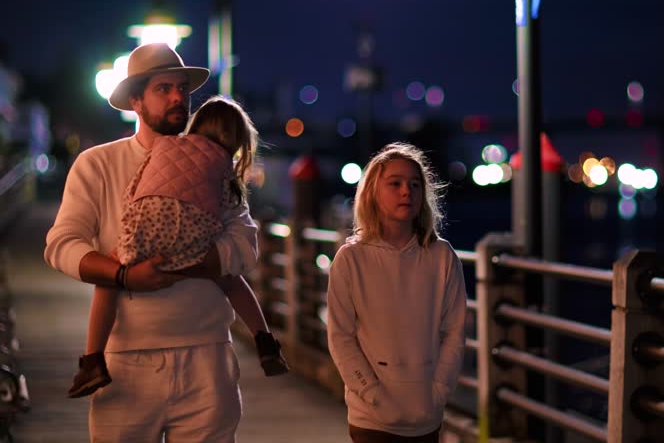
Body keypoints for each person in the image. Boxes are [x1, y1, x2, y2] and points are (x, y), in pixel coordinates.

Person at [45, 42, 255, 441]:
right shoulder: (98, 164)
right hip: (125, 362)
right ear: (135, 101)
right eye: (164, 89)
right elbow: (61, 244)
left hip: (207, 355)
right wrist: (123, 275)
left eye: (183, 88)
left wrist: (190, 262)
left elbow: (245, 244)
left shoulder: (215, 163)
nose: (179, 97)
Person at [67, 95, 289, 399]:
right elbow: (230, 217)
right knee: (229, 279)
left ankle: (92, 361)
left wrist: (133, 222)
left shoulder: (165, 146)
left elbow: (138, 185)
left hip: (148, 232)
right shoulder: (223, 168)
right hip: (195, 243)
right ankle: (265, 341)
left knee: (108, 280)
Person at [326, 142, 467, 443]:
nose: (407, 191)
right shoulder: (351, 259)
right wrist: (371, 393)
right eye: (395, 184)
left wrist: (439, 390)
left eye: (415, 185)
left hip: (426, 414)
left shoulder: (441, 256)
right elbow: (340, 335)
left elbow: (454, 331)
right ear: (373, 193)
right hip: (371, 418)